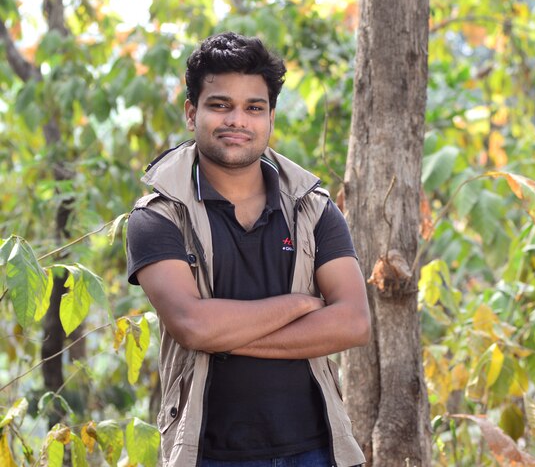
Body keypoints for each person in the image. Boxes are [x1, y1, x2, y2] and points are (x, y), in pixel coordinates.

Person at [126, 32, 370, 467]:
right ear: (191, 112)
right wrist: (302, 303)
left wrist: (224, 331)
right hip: (207, 452)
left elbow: (352, 323)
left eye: (253, 108)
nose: (237, 120)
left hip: (316, 449)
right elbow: (193, 326)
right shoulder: (160, 216)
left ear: (270, 118)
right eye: (220, 105)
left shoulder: (312, 209)